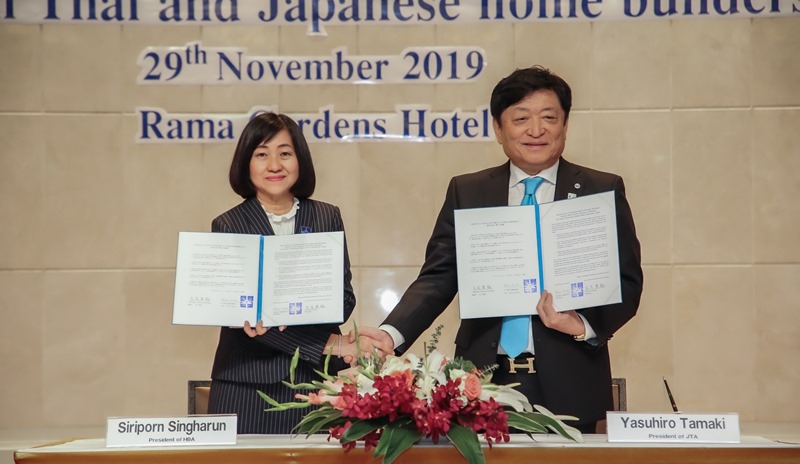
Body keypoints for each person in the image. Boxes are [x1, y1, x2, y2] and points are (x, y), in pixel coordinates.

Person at [356, 66, 644, 433]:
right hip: (480, 382)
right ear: (498, 128)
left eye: (549, 118)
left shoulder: (599, 189)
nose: (535, 130)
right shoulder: (469, 191)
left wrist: (582, 325)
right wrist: (392, 334)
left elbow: (627, 280)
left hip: (571, 380)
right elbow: (439, 276)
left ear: (566, 124)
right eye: (520, 118)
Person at [207, 112, 360, 434]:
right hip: (245, 384)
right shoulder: (228, 226)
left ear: (300, 159)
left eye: (285, 153)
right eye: (262, 154)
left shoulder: (326, 217)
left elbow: (343, 300)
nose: (274, 165)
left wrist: (302, 310)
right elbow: (245, 316)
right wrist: (328, 344)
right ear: (246, 163)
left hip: (317, 383)